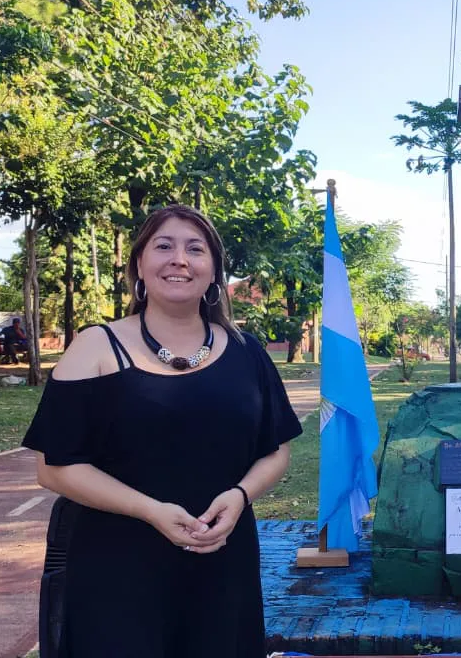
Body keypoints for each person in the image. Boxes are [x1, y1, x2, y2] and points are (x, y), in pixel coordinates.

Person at [21, 204, 302, 657]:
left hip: (223, 560)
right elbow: (54, 469)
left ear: (214, 271)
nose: (180, 259)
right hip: (117, 567)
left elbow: (276, 451)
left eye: (196, 249)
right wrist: (151, 511)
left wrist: (240, 495)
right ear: (138, 265)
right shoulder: (95, 347)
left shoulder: (248, 352)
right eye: (164, 246)